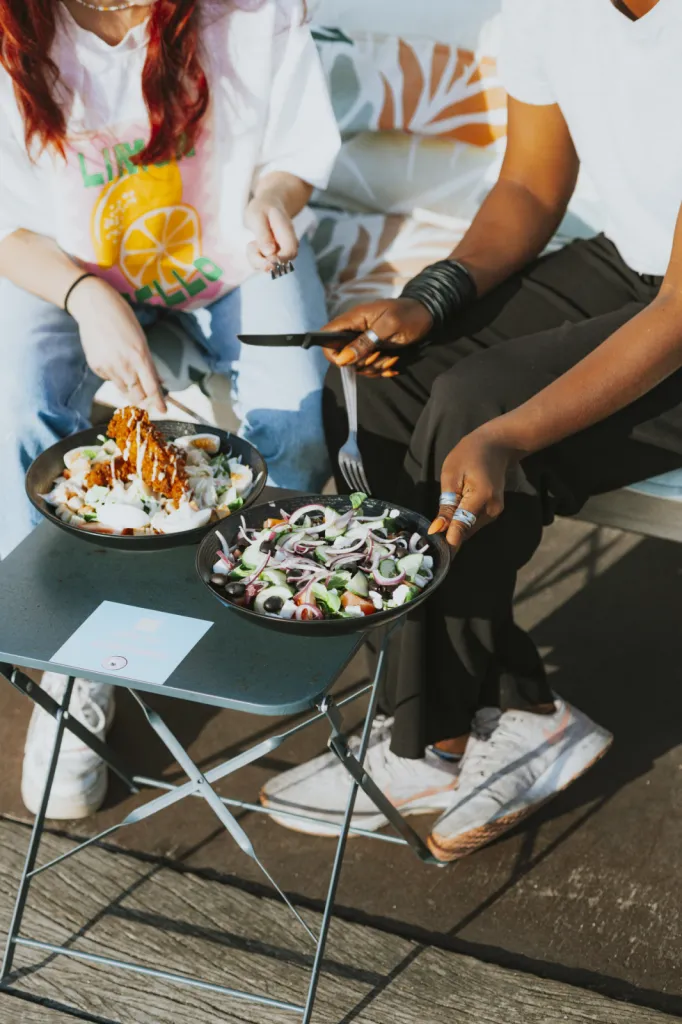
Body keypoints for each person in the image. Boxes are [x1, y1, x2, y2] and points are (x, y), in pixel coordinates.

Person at [260, 0, 682, 861]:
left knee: (478, 409)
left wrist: (511, 436)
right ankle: (483, 716)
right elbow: (529, 186)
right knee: (388, 387)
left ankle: (448, 733)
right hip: (637, 264)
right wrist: (427, 301)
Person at [0, 0, 340, 818]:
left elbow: (296, 150)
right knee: (16, 404)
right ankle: (69, 669)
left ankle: (248, 595)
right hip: (64, 265)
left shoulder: (250, 11)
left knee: (296, 409)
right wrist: (86, 297)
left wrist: (272, 197)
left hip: (229, 262)